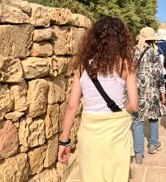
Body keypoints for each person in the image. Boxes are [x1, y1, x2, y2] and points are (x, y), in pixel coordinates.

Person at [57, 16, 138, 182]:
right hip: (117, 135)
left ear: (93, 38)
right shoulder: (125, 64)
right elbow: (134, 104)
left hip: (90, 134)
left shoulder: (82, 66)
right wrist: (120, 114)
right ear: (121, 39)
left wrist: (64, 142)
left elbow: (72, 106)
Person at [133, 27, 166, 165]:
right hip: (152, 92)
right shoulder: (154, 54)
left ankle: (139, 153)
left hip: (136, 92)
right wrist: (163, 94)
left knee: (137, 121)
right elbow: (159, 76)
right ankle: (153, 144)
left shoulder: (131, 52)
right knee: (153, 118)